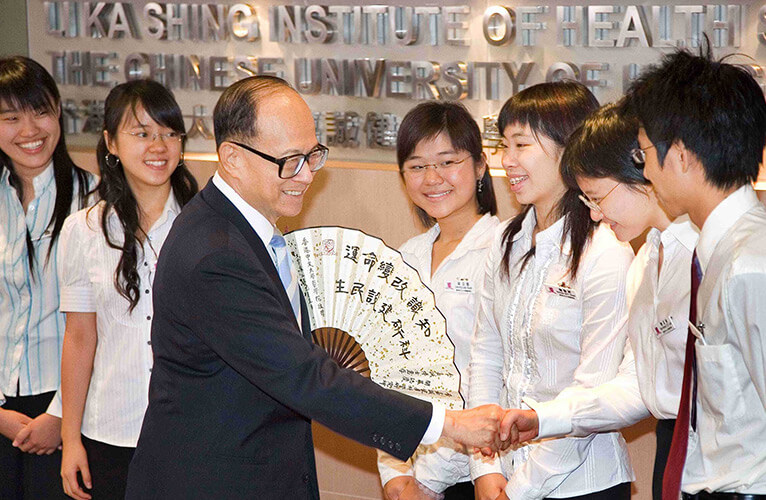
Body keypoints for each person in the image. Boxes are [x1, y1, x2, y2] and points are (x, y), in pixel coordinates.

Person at [125, 75, 514, 500]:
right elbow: (304, 375)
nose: (307, 175)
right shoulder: (215, 253)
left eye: (312, 155)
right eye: (290, 160)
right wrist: (449, 424)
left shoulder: (247, 233)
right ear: (232, 158)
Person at [502, 103, 697, 500]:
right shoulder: (647, 260)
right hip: (675, 446)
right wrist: (543, 419)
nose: (593, 215)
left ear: (642, 172)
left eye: (596, 196)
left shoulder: (704, 253)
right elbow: (636, 384)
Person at [468, 81, 636, 500]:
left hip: (582, 482)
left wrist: (522, 489)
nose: (507, 162)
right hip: (502, 475)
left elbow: (592, 391)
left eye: (521, 145)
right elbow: (486, 355)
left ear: (567, 148)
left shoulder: (607, 249)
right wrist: (484, 468)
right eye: (503, 146)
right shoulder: (506, 241)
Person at [625, 47, 766, 499]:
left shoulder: (750, 265)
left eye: (644, 152)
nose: (645, 169)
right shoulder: (719, 251)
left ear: (681, 155)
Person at [52, 79, 198, 500]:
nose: (159, 145)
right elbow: (80, 340)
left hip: (192, 435)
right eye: (142, 133)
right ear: (110, 142)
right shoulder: (83, 230)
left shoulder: (203, 225)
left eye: (170, 133)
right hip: (109, 434)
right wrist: (71, 438)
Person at [377, 101, 500, 500]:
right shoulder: (405, 256)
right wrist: (393, 473)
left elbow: (494, 378)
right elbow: (388, 374)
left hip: (481, 474)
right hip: (410, 475)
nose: (432, 178)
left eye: (447, 161)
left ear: (480, 166)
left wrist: (429, 482)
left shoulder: (503, 251)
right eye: (416, 166)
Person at [0, 55, 93, 500]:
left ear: (58, 111)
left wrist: (61, 416)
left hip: (71, 412)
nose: (29, 130)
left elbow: (110, 325)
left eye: (40, 111)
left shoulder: (98, 202)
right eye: (10, 117)